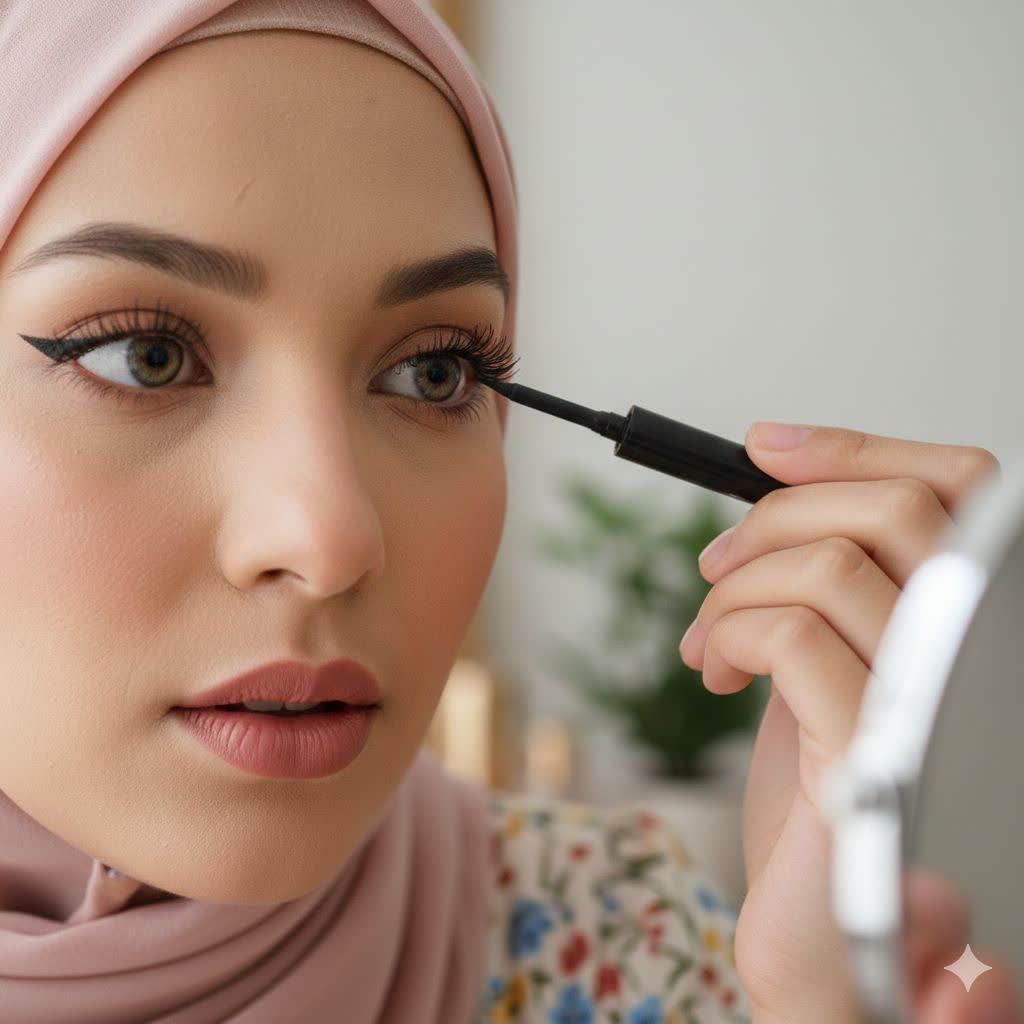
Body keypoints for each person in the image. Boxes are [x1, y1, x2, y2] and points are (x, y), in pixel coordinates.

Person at [0, 2, 1019, 1022]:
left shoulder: (617, 938)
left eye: (434, 370)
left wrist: (831, 1001)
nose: (331, 539)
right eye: (145, 356)